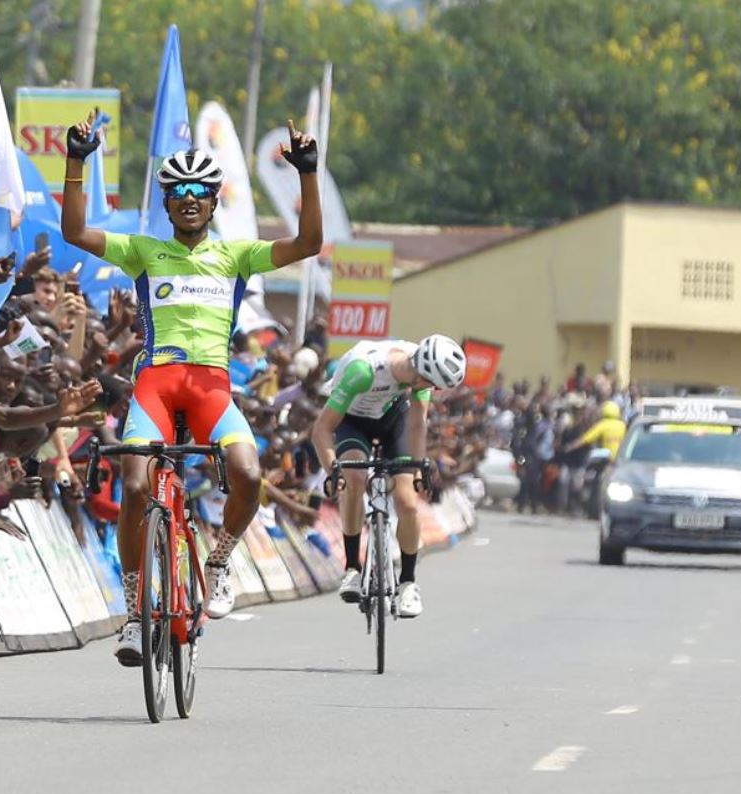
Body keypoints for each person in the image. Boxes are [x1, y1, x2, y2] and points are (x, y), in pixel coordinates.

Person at [61, 114, 323, 665]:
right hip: (155, 386)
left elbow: (309, 243)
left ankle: (221, 563)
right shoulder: (142, 251)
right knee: (134, 488)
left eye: (199, 192)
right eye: (176, 192)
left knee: (248, 475)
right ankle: (135, 615)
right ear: (166, 202)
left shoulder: (237, 256)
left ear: (210, 201)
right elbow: (75, 233)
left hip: (211, 389)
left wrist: (308, 174)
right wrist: (77, 163)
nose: (187, 200)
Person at [310, 335, 467, 618]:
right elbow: (321, 430)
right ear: (421, 373)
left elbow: (417, 424)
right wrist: (332, 469)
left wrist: (418, 468)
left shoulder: (420, 372)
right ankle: (352, 569)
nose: (432, 390)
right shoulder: (363, 371)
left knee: (407, 502)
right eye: (432, 384)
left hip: (392, 418)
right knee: (354, 480)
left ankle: (408, 583)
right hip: (352, 421)